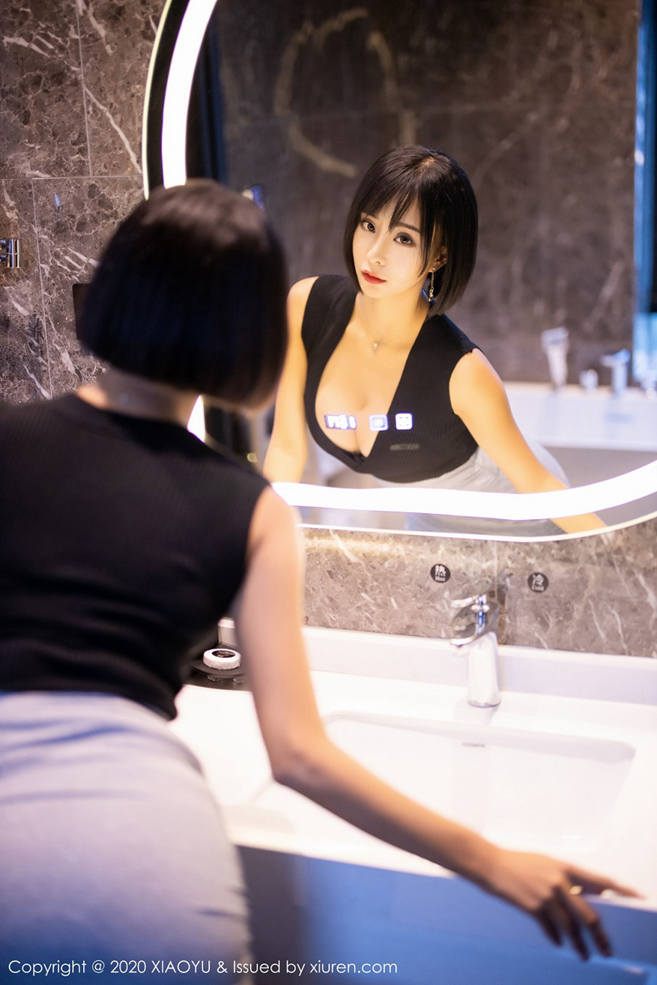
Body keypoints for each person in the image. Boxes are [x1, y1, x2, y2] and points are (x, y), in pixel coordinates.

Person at [0, 181, 631, 980]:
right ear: (248, 336)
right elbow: (299, 756)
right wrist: (494, 862)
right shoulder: (251, 511)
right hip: (150, 871)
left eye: (402, 236)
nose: (374, 250)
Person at [264, 145, 603, 533]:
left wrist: (623, 559)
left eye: (403, 239)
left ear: (439, 256)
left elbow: (540, 485)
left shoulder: (464, 372)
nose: (374, 254)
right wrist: (259, 539)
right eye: (369, 225)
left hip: (516, 519)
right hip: (427, 520)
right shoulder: (306, 307)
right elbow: (286, 448)